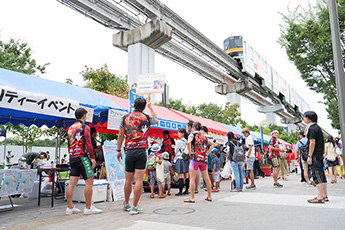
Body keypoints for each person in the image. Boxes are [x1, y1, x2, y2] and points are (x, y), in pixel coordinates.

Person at [117, 97, 158, 215]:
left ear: (134, 105)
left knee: (128, 180)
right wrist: (151, 107)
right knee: (139, 179)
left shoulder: (125, 117)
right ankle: (134, 206)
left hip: (129, 150)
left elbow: (120, 136)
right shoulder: (147, 118)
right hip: (142, 151)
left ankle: (126, 203)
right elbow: (156, 119)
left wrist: (118, 150)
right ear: (144, 107)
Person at [66, 107, 101, 215]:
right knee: (89, 181)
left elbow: (68, 144)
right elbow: (88, 143)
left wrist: (71, 155)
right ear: (84, 116)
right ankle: (88, 207)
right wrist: (93, 158)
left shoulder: (70, 128)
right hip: (81, 156)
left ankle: (70, 208)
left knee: (72, 183)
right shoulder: (84, 127)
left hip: (72, 157)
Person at [184, 121, 216, 203]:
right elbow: (213, 144)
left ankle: (192, 197)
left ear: (193, 127)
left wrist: (190, 151)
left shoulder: (192, 134)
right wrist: (207, 152)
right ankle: (209, 196)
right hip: (203, 159)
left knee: (192, 178)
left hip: (194, 159)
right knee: (206, 178)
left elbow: (188, 142)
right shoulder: (204, 137)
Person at [304, 111, 328, 204]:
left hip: (315, 155)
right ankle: (324, 195)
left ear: (309, 118)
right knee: (321, 174)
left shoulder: (312, 129)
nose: (304, 119)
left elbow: (312, 142)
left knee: (317, 174)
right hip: (319, 155)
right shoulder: (317, 127)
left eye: (305, 117)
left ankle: (320, 197)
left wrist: (309, 155)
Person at [174, 128, 190, 196]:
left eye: (179, 132)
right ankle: (186, 190)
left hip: (180, 158)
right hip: (186, 158)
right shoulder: (187, 141)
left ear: (182, 133)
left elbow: (176, 151)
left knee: (181, 175)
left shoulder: (179, 142)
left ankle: (180, 191)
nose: (178, 134)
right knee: (186, 175)